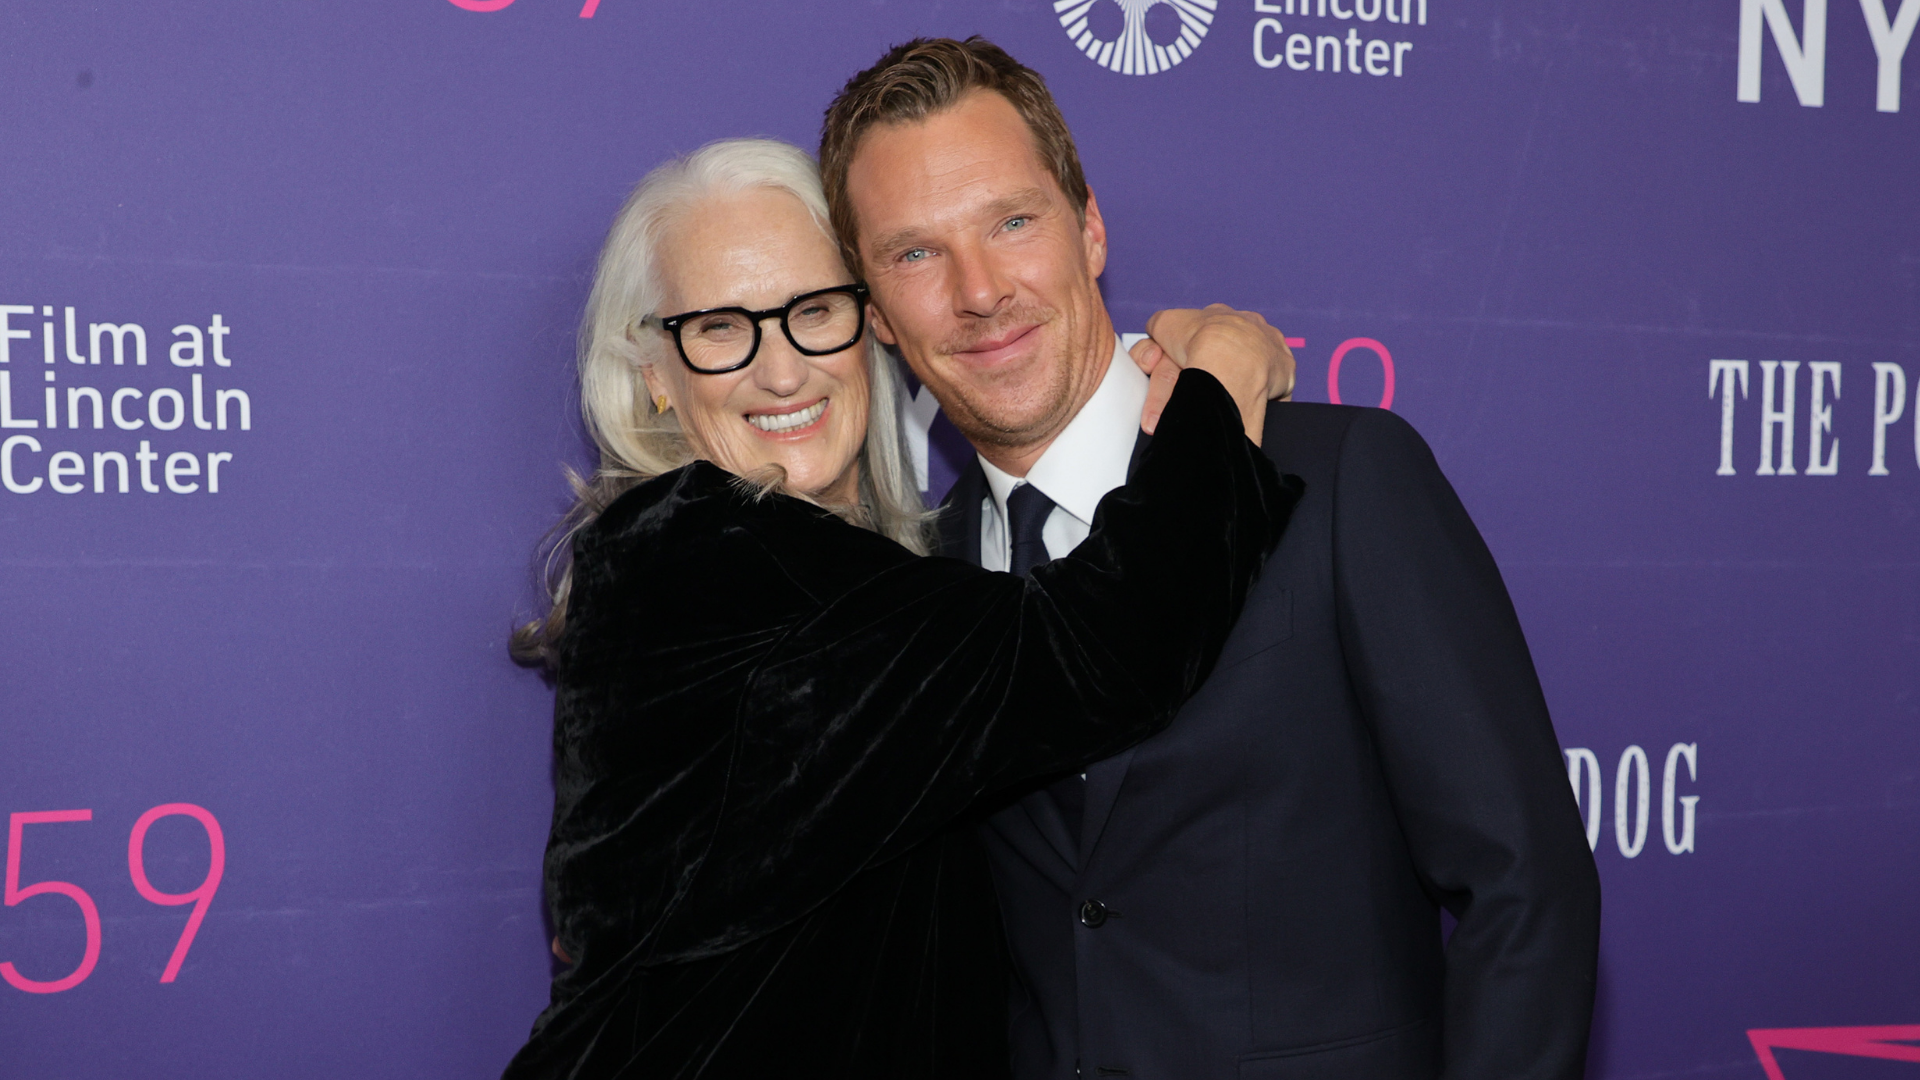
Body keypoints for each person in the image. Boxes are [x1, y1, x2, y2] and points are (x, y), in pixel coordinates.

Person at [820, 37, 1604, 1080]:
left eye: (1012, 222)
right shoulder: (920, 590)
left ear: (1088, 227)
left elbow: (1526, 887)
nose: (979, 291)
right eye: (916, 254)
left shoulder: (1336, 482)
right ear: (874, 311)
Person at [501, 137, 1300, 1078]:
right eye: (720, 327)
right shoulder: (699, 557)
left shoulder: (840, 577)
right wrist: (1219, 388)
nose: (784, 370)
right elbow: (1104, 647)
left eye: (813, 310)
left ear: (868, 324)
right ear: (653, 372)